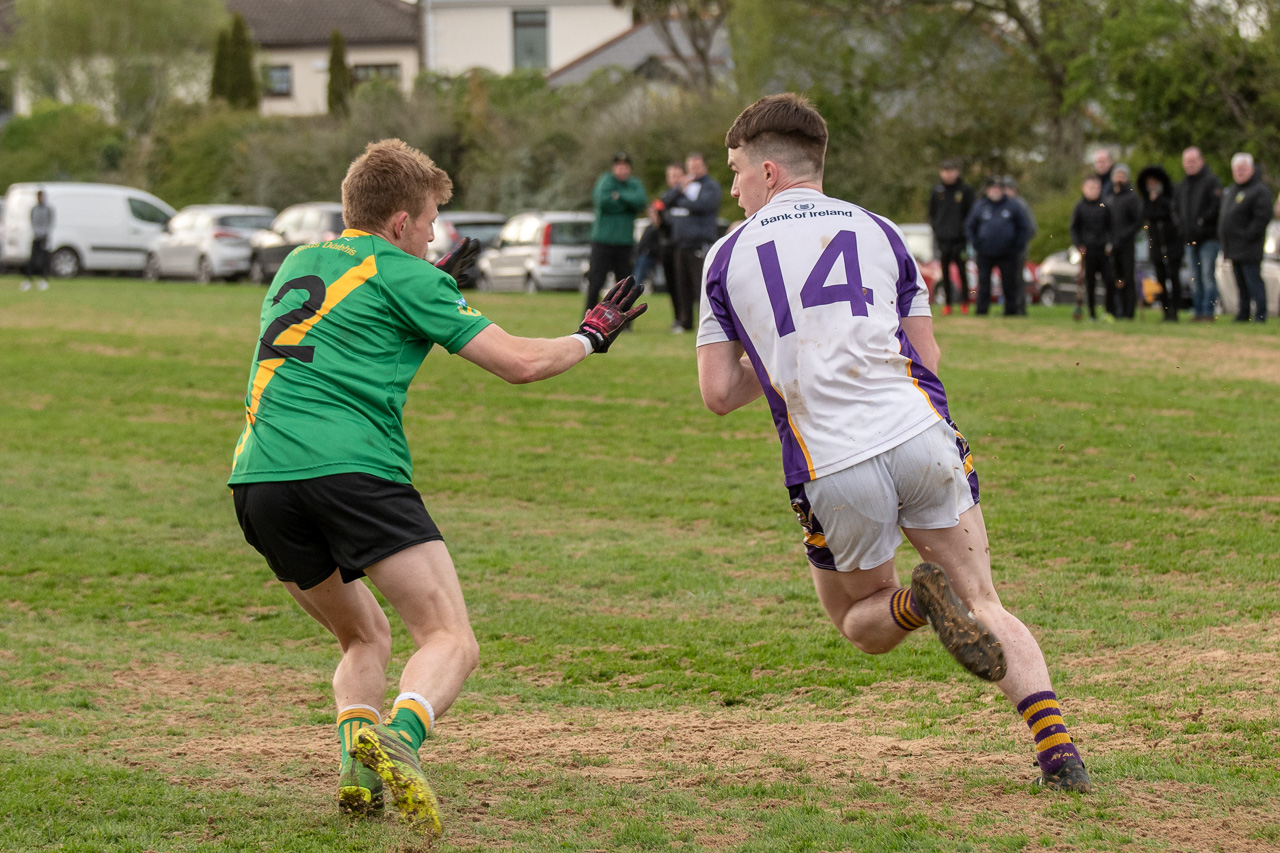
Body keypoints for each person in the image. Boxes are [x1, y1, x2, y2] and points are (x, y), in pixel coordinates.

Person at [227, 139, 646, 834]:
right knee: (450, 637)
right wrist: (590, 336)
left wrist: (427, 282)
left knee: (364, 637)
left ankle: (359, 774)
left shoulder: (302, 260)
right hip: (351, 469)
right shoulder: (408, 274)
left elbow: (353, 323)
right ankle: (401, 738)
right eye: (427, 223)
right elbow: (517, 363)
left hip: (259, 478)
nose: (432, 236)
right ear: (397, 222)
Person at [696, 92, 1090, 793]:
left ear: (768, 172)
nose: (731, 188)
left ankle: (916, 603)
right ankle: (1059, 751)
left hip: (832, 460)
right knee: (986, 599)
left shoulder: (728, 254)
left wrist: (785, 358)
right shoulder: (881, 230)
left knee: (858, 617)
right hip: (919, 434)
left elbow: (719, 394)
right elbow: (927, 354)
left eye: (734, 171)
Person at [584, 152, 646, 313]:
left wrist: (620, 196)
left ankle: (623, 319)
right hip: (602, 242)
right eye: (619, 167)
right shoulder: (606, 181)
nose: (623, 170)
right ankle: (589, 317)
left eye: (626, 167)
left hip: (624, 243)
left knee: (625, 285)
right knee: (596, 282)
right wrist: (627, 204)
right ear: (614, 168)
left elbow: (640, 201)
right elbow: (603, 201)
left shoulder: (634, 184)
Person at [668, 152, 722, 333]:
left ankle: (708, 324)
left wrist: (682, 198)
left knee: (702, 285)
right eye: (690, 167)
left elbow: (703, 205)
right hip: (681, 244)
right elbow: (666, 201)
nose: (693, 170)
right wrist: (679, 189)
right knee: (682, 286)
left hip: (700, 243)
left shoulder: (711, 187)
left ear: (704, 166)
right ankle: (685, 322)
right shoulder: (683, 187)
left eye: (696, 166)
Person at [965, 177, 1032, 316]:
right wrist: (976, 243)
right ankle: (982, 310)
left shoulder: (1013, 206)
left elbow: (1024, 227)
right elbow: (970, 226)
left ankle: (1011, 311)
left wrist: (1017, 245)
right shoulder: (980, 206)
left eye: (998, 188)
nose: (995, 191)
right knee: (984, 283)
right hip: (985, 252)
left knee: (1009, 283)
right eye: (992, 188)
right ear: (988, 190)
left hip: (1007, 253)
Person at [1219, 152, 1272, 323]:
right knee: (1240, 284)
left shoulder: (1259, 191)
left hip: (1250, 246)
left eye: (1242, 169)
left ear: (1250, 169)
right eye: (1236, 169)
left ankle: (1261, 314)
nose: (1239, 172)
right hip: (1234, 247)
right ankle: (1243, 313)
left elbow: (1262, 217)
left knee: (1253, 281)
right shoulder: (1232, 190)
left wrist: (1248, 235)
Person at [1174, 146, 1223, 321]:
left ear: (1201, 161)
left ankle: (1207, 312)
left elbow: (1216, 207)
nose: (1190, 164)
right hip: (1189, 239)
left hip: (1208, 238)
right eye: (1187, 161)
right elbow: (1176, 210)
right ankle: (1197, 311)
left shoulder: (1212, 182)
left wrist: (1202, 221)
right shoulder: (1182, 186)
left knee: (1207, 275)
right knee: (1194, 277)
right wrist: (1181, 227)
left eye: (1193, 160)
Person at [1137, 164, 1183, 322]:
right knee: (1161, 278)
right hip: (1156, 246)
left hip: (1172, 245)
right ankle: (1165, 311)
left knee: (1174, 277)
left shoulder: (1169, 198)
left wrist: (1159, 200)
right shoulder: (1145, 201)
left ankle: (1175, 310)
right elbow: (1146, 215)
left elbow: (1169, 214)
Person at [928, 160, 975, 315]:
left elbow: (971, 214)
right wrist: (938, 229)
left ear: (957, 172)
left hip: (960, 240)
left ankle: (965, 302)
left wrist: (964, 232)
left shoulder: (965, 191)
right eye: (945, 170)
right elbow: (932, 214)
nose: (948, 174)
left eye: (951, 170)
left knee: (962, 271)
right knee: (945, 272)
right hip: (943, 240)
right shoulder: (937, 191)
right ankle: (947, 304)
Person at [1070, 175, 1114, 322]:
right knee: (1090, 284)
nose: (1093, 190)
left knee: (1109, 280)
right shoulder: (1079, 207)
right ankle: (1092, 314)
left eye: (1096, 187)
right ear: (1084, 188)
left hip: (1103, 251)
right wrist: (1079, 245)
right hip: (1088, 251)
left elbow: (1111, 227)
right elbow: (1074, 229)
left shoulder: (1105, 206)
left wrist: (1110, 243)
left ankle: (1108, 312)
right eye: (1090, 187)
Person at [1107, 165, 1143, 319]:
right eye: (1117, 175)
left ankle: (1129, 313)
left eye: (1122, 175)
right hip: (1111, 246)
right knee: (1115, 279)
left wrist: (1123, 236)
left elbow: (1138, 222)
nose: (1119, 178)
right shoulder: (1109, 198)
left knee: (1128, 279)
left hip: (1127, 245)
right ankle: (1116, 311)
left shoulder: (1132, 198)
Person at [655, 162, 687, 329]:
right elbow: (659, 215)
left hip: (681, 246)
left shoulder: (687, 196)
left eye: (678, 175)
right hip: (667, 245)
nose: (675, 180)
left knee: (683, 285)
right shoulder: (665, 197)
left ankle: (685, 319)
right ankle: (677, 318)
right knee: (672, 285)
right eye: (672, 176)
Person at [1002, 176, 1036, 315]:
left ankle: (1020, 309)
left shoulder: (1021, 205)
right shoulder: (1001, 205)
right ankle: (1009, 309)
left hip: (1018, 249)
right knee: (1006, 279)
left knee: (1017, 279)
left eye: (1008, 189)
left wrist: (1019, 242)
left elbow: (1032, 228)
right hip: (1004, 250)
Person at [20, 189, 54, 292]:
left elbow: (49, 223)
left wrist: (44, 234)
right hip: (36, 237)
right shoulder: (34, 209)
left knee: (45, 260)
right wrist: (37, 232)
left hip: (44, 237)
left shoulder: (48, 209)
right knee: (32, 260)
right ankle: (29, 279)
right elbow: (32, 221)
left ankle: (44, 279)